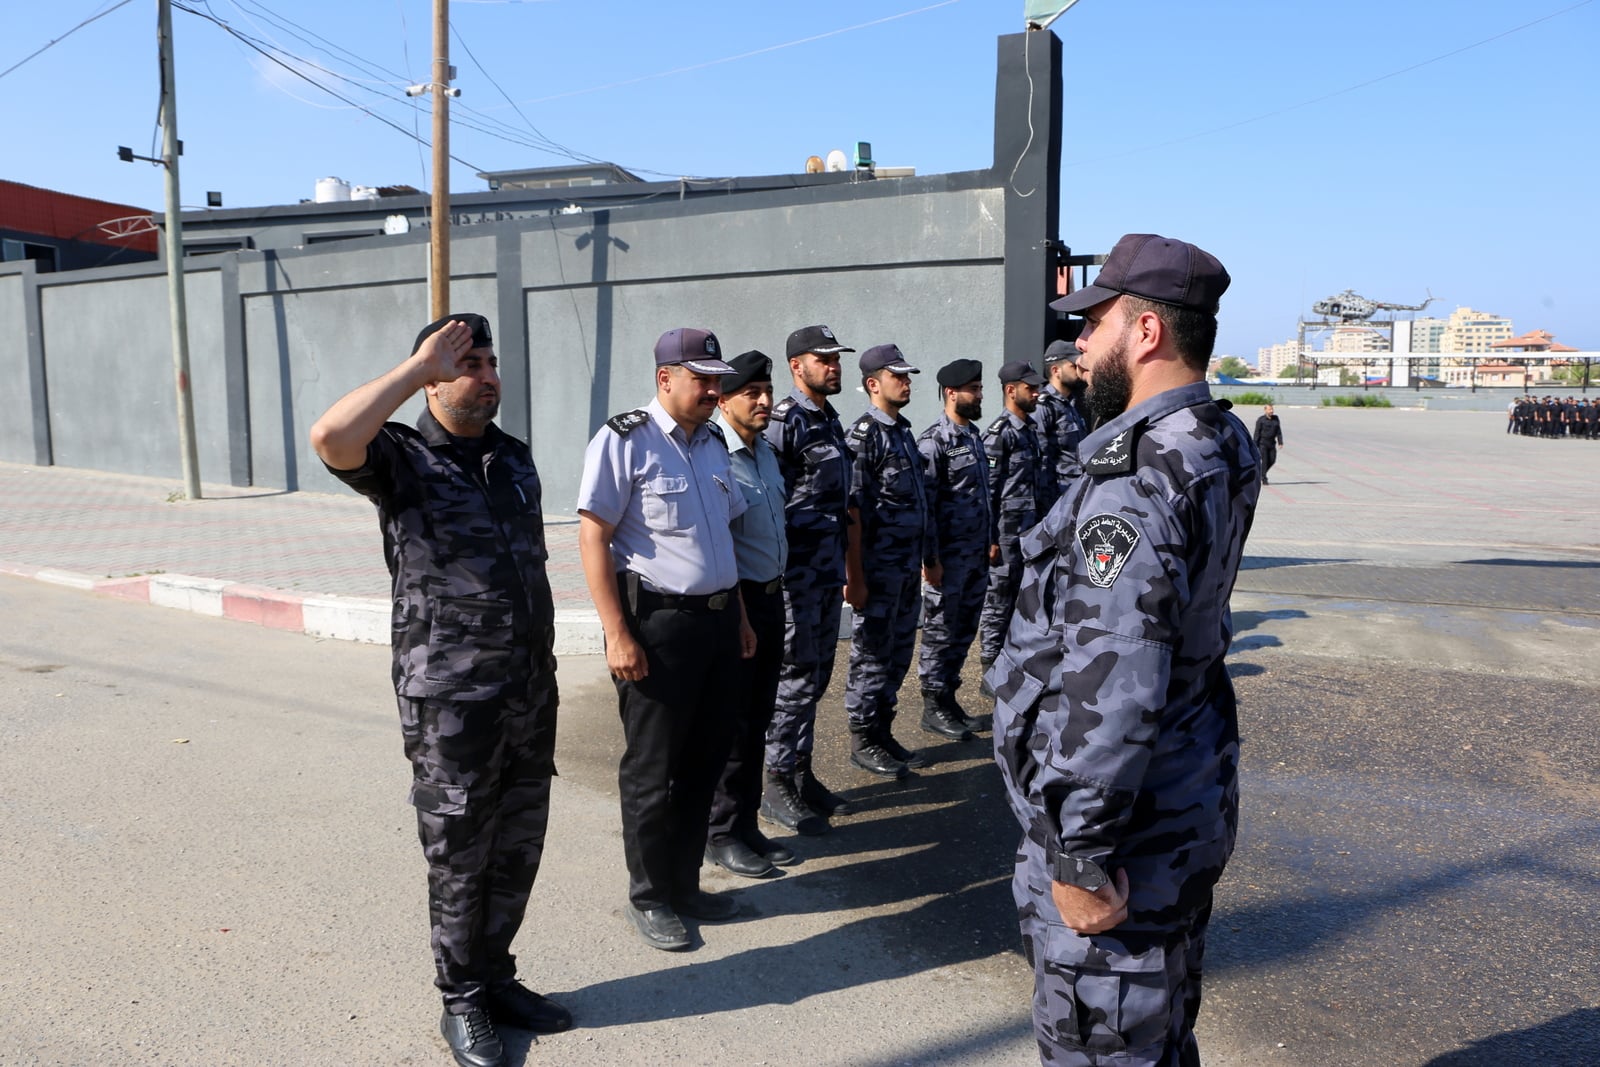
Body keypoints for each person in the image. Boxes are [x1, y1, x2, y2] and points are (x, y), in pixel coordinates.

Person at [990, 233, 1260, 1066]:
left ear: (1146, 333)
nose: (1081, 344)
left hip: (1123, 842)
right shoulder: (1219, 439)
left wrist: (1078, 851)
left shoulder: (1137, 479)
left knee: (1105, 1046)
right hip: (1183, 800)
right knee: (1161, 1034)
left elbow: (1113, 685)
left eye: (1097, 322)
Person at [309, 313, 570, 1067]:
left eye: (491, 363)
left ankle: (494, 974)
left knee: (518, 845)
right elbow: (331, 437)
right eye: (469, 364)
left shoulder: (513, 458)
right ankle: (460, 998)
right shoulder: (402, 457)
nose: (487, 375)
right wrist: (413, 369)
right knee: (460, 852)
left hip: (526, 692)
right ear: (431, 377)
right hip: (451, 699)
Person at [576, 327, 754, 952]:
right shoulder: (624, 440)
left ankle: (684, 885)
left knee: (705, 761)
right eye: (702, 378)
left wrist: (738, 617)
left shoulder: (713, 442)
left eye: (716, 378)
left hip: (716, 622)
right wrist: (616, 632)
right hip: (657, 627)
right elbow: (594, 536)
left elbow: (718, 540)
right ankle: (648, 896)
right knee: (653, 770)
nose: (714, 389)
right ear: (665, 378)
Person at [704, 350, 799, 879]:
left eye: (767, 390)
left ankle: (745, 824)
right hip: (736, 605)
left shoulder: (763, 450)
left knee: (759, 716)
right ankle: (720, 832)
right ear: (723, 398)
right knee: (733, 722)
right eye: (752, 393)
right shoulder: (717, 453)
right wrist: (741, 617)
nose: (764, 401)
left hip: (769, 598)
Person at [760, 324, 858, 834]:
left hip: (824, 575)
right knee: (795, 679)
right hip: (794, 577)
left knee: (816, 677)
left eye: (837, 359)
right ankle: (776, 782)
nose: (834, 366)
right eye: (824, 359)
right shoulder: (785, 421)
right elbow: (767, 499)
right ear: (797, 366)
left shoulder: (830, 420)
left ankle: (800, 772)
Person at [841, 343, 946, 779]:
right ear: (872, 383)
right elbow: (852, 512)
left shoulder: (902, 431)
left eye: (908, 376)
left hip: (905, 570)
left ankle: (882, 731)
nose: (907, 382)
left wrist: (929, 557)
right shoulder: (863, 436)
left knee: (898, 653)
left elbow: (920, 502)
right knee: (871, 655)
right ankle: (862, 737)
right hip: (878, 571)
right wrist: (855, 578)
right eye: (897, 376)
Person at [915, 358, 991, 734]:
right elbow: (925, 506)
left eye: (979, 388)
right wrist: (930, 559)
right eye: (973, 389)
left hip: (975, 555)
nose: (979, 395)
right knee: (940, 631)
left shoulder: (974, 437)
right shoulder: (934, 442)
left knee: (963, 630)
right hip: (948, 559)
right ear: (951, 393)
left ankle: (948, 698)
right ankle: (932, 705)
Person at [979, 359, 1048, 688]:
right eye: (1030, 388)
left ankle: (1011, 666)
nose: (1036, 393)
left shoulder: (1030, 430)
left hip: (1029, 532)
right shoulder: (999, 434)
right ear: (1010, 390)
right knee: (998, 604)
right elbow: (987, 491)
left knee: (1022, 603)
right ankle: (990, 671)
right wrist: (990, 538)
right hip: (1005, 537)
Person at [1034, 339, 1089, 507]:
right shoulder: (1044, 406)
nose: (1078, 370)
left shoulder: (1070, 404)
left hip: (1074, 493)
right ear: (1056, 370)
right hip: (1056, 500)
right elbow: (1040, 459)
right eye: (1073, 366)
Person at [1253, 404, 1283, 485]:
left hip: (1272, 443)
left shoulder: (1276, 419)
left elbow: (1278, 431)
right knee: (1265, 461)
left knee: (1272, 460)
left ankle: (1262, 473)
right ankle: (1264, 478)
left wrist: (1280, 442)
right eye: (1269, 409)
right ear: (1265, 410)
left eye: (1272, 409)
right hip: (1263, 443)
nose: (1271, 411)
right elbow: (1257, 433)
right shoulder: (1261, 420)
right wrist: (1254, 445)